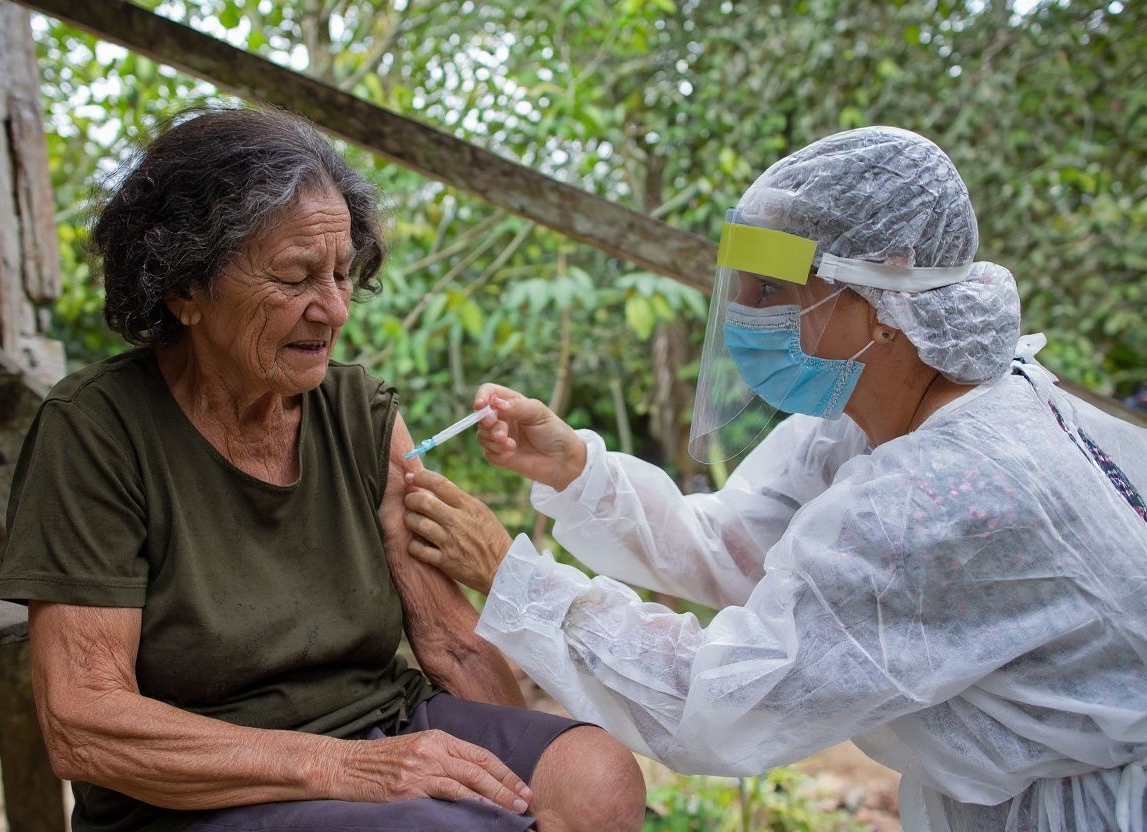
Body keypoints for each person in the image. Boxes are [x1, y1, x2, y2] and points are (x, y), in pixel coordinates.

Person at [401, 127, 1147, 831]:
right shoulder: (872, 414)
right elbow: (738, 544)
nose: (744, 318)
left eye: (768, 291)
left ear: (876, 301)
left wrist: (514, 578)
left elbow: (721, 701)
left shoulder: (946, 495)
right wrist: (577, 472)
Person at [0, 106, 644, 832]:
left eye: (341, 273)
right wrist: (340, 767)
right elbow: (83, 722)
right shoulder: (97, 428)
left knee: (597, 778)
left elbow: (449, 638)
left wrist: (504, 790)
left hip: (383, 725)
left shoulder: (359, 410)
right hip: (207, 787)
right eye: (297, 277)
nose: (333, 309)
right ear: (184, 289)